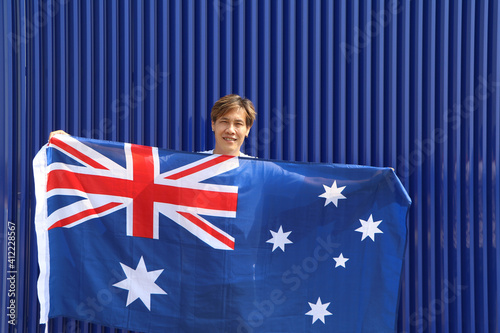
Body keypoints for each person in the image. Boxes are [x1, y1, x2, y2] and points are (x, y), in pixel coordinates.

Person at [49, 94, 256, 157]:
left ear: (247, 130)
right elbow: (129, 167)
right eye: (224, 122)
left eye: (238, 124)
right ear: (212, 125)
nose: (230, 130)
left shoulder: (263, 173)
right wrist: (71, 149)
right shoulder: (193, 166)